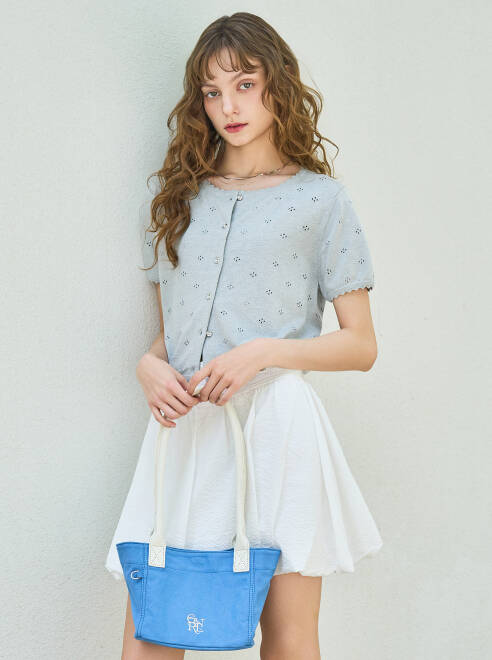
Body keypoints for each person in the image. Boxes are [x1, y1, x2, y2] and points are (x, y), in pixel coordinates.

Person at [106, 12, 383, 659]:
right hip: (187, 430)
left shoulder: (321, 201)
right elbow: (177, 332)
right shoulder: (175, 200)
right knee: (153, 630)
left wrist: (264, 352)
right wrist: (148, 366)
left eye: (245, 85)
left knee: (289, 635)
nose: (228, 106)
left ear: (277, 85)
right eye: (212, 91)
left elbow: (361, 344)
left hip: (279, 428)